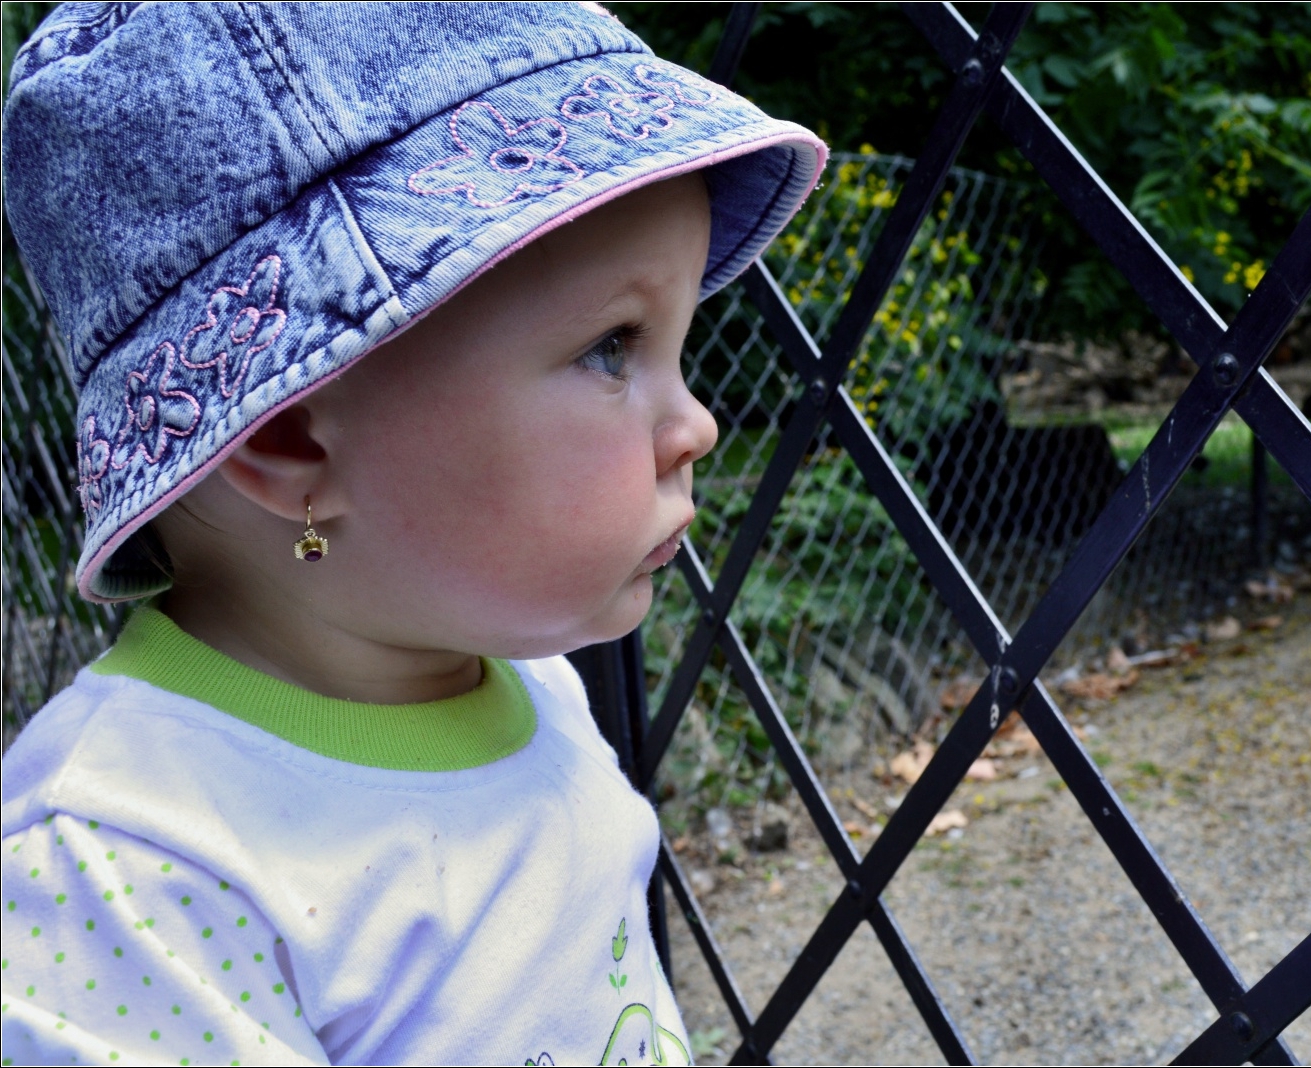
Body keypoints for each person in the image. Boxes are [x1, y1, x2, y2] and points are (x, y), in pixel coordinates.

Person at [0, 4, 826, 1064]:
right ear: (291, 435)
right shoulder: (125, 870)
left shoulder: (526, 682)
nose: (698, 425)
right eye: (613, 347)